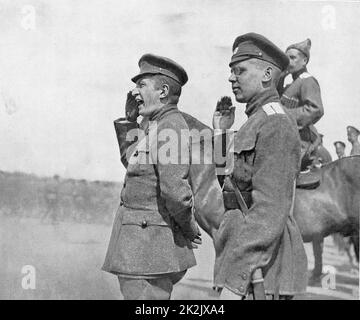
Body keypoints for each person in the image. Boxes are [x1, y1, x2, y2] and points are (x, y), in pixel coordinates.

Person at [212, 33, 307, 300]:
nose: (231, 78)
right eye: (231, 71)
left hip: (260, 269)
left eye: (239, 71)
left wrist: (236, 280)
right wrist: (221, 133)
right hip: (241, 255)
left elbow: (269, 209)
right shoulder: (256, 119)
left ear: (267, 74)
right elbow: (231, 188)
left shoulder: (275, 122)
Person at [102, 54, 202, 300]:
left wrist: (189, 228)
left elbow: (174, 191)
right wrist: (129, 121)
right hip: (141, 247)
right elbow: (134, 166)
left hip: (150, 249)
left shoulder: (171, 127)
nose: (135, 92)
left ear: (163, 91)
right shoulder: (154, 125)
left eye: (142, 85)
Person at [278, 39, 324, 170]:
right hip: (286, 138)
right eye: (286, 58)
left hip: (300, 142)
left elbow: (316, 109)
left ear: (304, 61)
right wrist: (280, 78)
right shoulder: (290, 85)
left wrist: (285, 114)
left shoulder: (307, 80)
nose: (288, 62)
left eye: (292, 58)